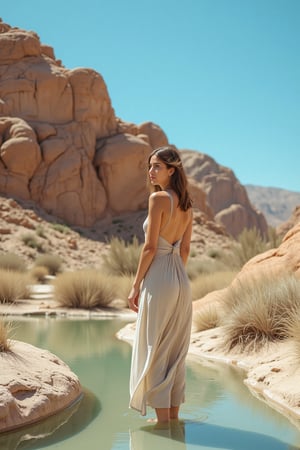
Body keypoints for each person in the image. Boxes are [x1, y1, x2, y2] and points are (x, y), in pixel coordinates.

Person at [128, 146, 193, 424]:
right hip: (180, 278)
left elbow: (150, 247)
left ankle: (163, 424)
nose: (151, 171)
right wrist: (176, 276)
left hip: (159, 278)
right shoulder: (188, 206)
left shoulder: (158, 200)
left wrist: (134, 286)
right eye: (150, 166)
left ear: (172, 170)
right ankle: (173, 420)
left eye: (157, 166)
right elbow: (186, 249)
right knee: (174, 351)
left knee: (155, 348)